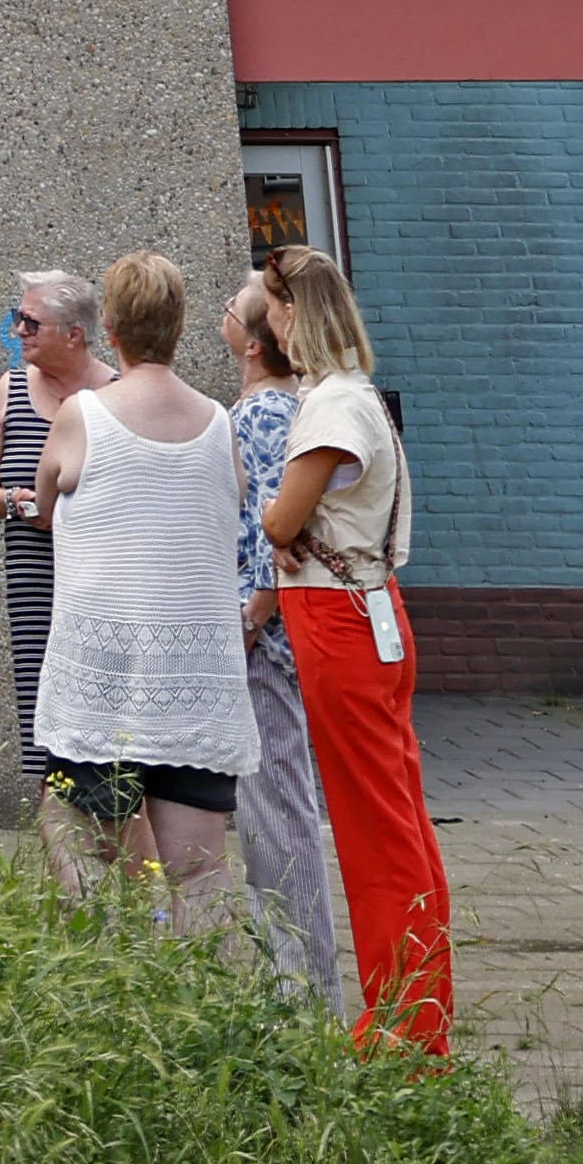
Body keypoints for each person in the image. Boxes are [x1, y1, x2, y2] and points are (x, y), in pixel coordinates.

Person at [23, 249, 256, 929]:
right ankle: (200, 1013)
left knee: (70, 833)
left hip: (106, 680)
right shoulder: (219, 424)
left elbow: (42, 499)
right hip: (196, 681)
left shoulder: (83, 416)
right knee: (201, 871)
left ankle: (107, 974)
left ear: (111, 331)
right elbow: (233, 503)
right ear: (179, 328)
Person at [261, 245, 452, 1053]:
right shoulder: (354, 396)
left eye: (272, 306)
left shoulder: (332, 407)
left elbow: (278, 520)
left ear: (295, 312)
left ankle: (401, 1030)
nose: (267, 320)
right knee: (397, 819)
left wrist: (283, 526)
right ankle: (417, 1016)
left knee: (375, 831)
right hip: (366, 607)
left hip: (339, 620)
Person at [219, 270, 348, 1003]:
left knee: (277, 817)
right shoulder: (267, 407)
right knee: (271, 813)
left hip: (264, 652)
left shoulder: (267, 414)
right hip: (265, 642)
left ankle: (304, 998)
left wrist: (252, 616)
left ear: (250, 340)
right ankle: (296, 986)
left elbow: (278, 527)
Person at [0, 264, 98, 752]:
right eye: (20, 317)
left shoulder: (119, 393)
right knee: (45, 738)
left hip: (107, 587)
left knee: (110, 737)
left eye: (31, 322)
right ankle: (55, 829)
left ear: (74, 334)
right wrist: (14, 505)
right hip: (35, 586)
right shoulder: (11, 389)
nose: (19, 330)